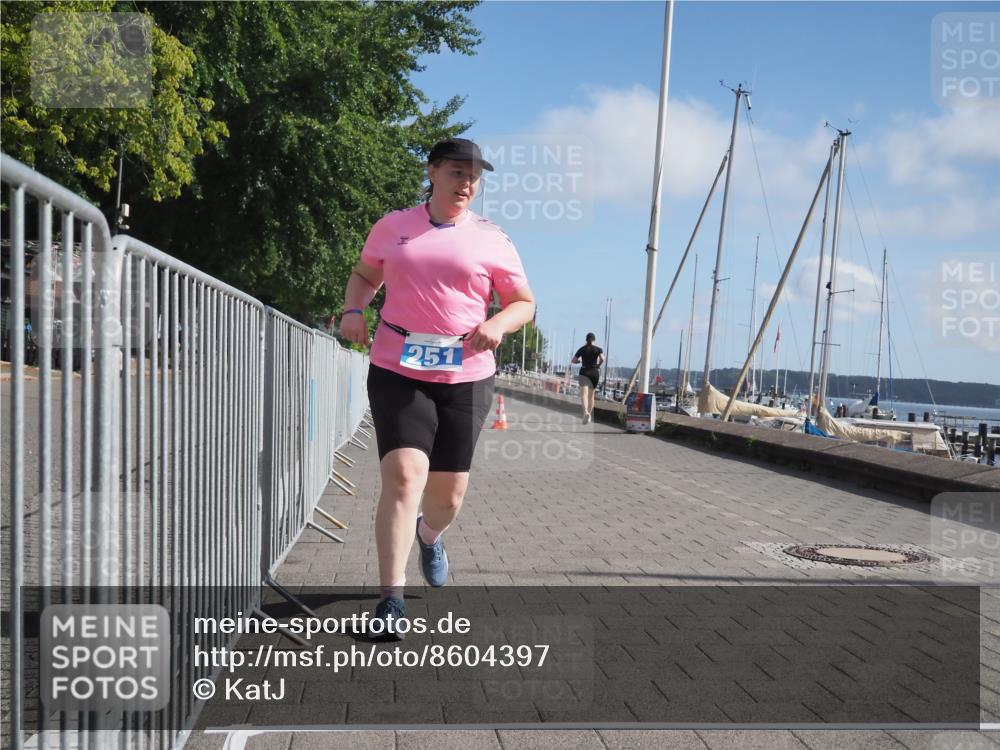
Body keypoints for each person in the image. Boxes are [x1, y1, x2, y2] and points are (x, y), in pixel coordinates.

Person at [340, 137, 535, 640]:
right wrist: (354, 310)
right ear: (432, 172)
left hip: (467, 374)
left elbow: (523, 302)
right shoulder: (395, 226)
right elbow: (364, 274)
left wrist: (502, 323)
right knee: (404, 478)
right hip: (398, 366)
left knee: (448, 496)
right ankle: (390, 598)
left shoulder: (493, 238)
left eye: (474, 174)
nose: (466, 182)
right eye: (455, 171)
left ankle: (431, 536)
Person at [572, 333, 605, 424]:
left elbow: (573, 360)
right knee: (591, 396)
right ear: (594, 340)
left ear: (586, 340)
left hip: (584, 372)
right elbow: (603, 358)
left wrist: (579, 361)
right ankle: (589, 415)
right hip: (594, 373)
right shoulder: (598, 349)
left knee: (584, 395)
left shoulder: (582, 349)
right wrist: (598, 365)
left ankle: (585, 412)